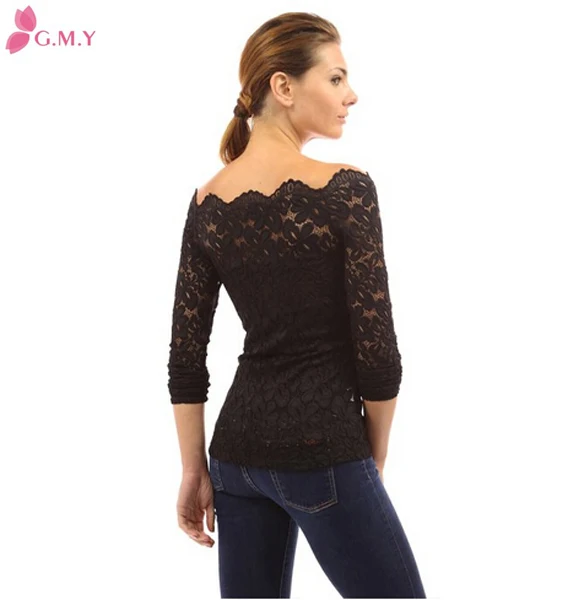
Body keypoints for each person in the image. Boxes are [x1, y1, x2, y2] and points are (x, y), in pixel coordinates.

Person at [167, 11, 427, 599]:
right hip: (324, 448)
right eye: (336, 78)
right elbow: (378, 353)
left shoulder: (207, 202)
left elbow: (185, 358)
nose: (351, 95)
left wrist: (193, 469)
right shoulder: (345, 190)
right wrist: (371, 458)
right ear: (283, 86)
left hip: (234, 459)